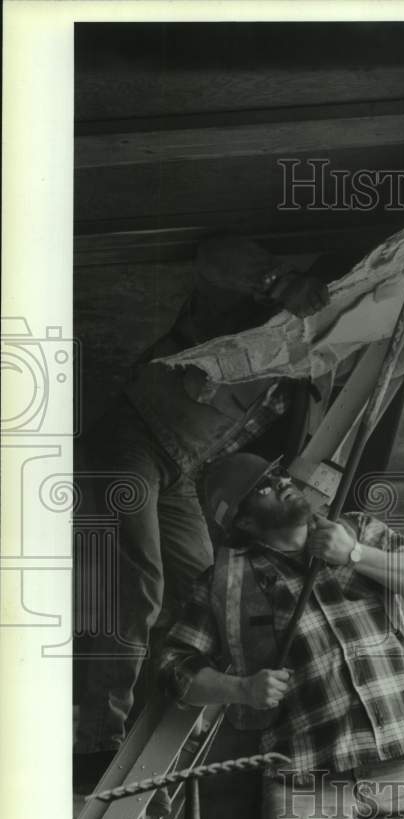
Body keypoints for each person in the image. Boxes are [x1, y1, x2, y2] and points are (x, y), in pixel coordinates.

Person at [73, 234, 333, 787]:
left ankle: (170, 714)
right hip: (132, 439)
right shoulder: (252, 315)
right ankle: (94, 738)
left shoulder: (301, 377)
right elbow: (215, 255)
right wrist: (280, 283)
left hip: (179, 471)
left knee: (207, 592)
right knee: (136, 579)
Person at [157, 452, 404, 819]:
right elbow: (172, 667)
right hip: (303, 777)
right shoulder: (224, 582)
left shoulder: (356, 528)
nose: (281, 482)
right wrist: (239, 688)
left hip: (396, 758)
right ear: (244, 522)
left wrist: (354, 554)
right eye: (263, 486)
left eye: (277, 474)